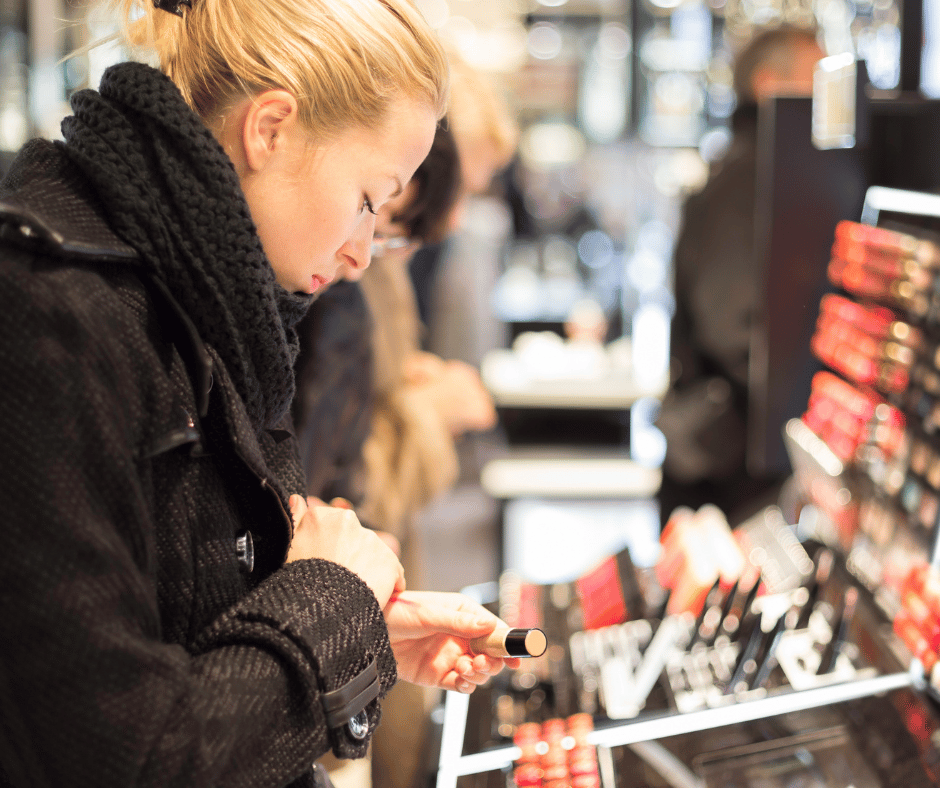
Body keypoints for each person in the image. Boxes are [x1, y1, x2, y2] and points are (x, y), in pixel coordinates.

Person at [0, 1, 520, 785]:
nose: (362, 253)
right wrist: (331, 600)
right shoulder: (49, 308)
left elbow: (185, 629)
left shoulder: (209, 297)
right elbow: (132, 757)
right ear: (270, 128)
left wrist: (357, 628)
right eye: (371, 200)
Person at [656, 25, 825, 527]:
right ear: (771, 84)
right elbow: (732, 325)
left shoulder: (754, 168)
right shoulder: (751, 175)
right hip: (723, 463)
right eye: (817, 80)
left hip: (729, 450)